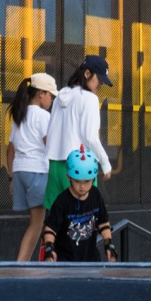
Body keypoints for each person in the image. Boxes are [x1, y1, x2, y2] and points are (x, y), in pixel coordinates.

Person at [43, 53, 115, 200]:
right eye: (99, 79)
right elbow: (91, 137)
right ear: (87, 73)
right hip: (79, 168)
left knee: (55, 219)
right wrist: (105, 163)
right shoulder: (90, 99)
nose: (100, 84)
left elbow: (50, 132)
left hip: (54, 166)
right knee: (82, 218)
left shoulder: (61, 95)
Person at [4, 72, 57, 263]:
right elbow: (50, 147)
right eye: (51, 94)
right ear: (41, 94)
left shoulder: (20, 115)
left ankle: (43, 260)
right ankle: (21, 266)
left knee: (38, 223)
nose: (52, 99)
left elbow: (10, 150)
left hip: (19, 172)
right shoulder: (44, 116)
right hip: (38, 172)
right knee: (37, 224)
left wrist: (11, 178)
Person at [42, 145, 117, 263]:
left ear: (93, 178)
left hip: (91, 260)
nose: (82, 186)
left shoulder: (95, 195)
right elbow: (50, 228)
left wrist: (109, 245)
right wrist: (49, 249)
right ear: (68, 177)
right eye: (77, 181)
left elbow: (103, 222)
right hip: (66, 262)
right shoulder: (62, 201)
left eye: (87, 181)